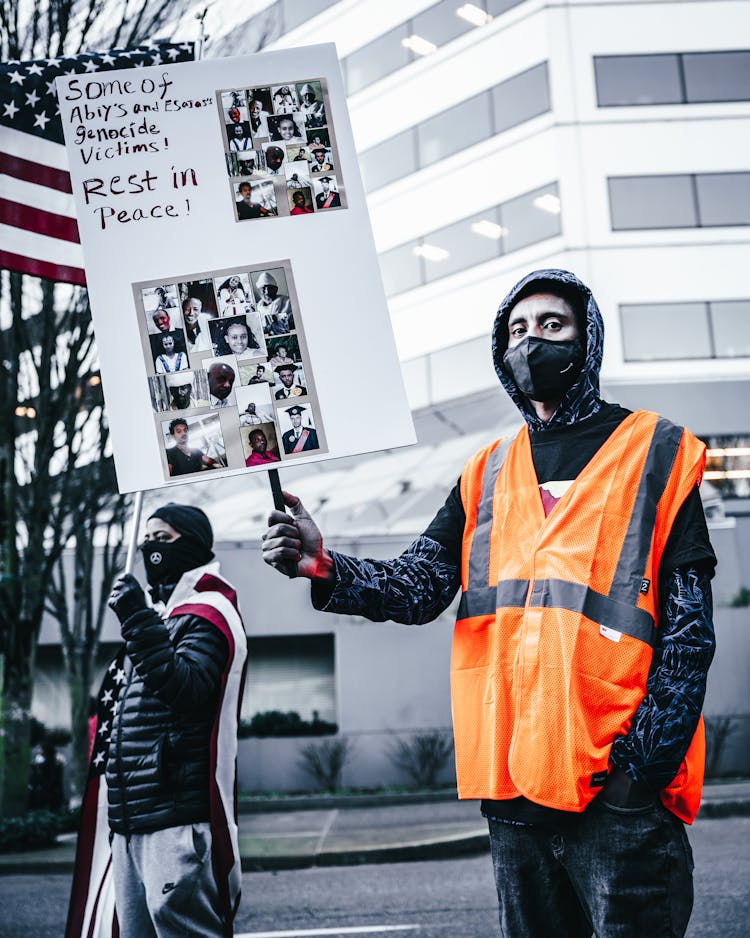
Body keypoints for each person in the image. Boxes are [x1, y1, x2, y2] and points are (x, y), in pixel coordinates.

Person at [261, 268, 717, 937]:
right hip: (514, 809)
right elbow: (418, 588)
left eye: (552, 326)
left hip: (618, 808)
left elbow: (689, 637)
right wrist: (324, 566)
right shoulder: (486, 473)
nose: (532, 344)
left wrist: (638, 778)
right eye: (516, 332)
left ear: (587, 341)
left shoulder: (657, 452)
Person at [67, 503, 247, 938]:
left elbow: (186, 690)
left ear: (194, 545)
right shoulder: (161, 617)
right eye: (146, 539)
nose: (149, 548)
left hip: (175, 818)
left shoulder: (208, 614)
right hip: (132, 821)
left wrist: (136, 619)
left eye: (162, 539)